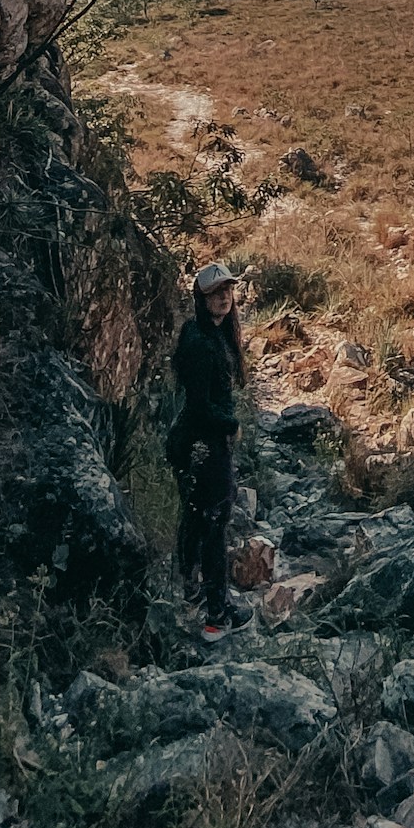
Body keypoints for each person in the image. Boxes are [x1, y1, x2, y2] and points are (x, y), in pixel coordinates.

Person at [169, 260, 251, 641]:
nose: (224, 297)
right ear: (201, 298)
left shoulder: (210, 334)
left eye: (228, 290)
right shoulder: (200, 342)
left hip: (198, 441)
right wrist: (230, 425)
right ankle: (216, 616)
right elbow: (200, 405)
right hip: (201, 442)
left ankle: (191, 590)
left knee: (198, 518)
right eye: (217, 291)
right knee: (214, 525)